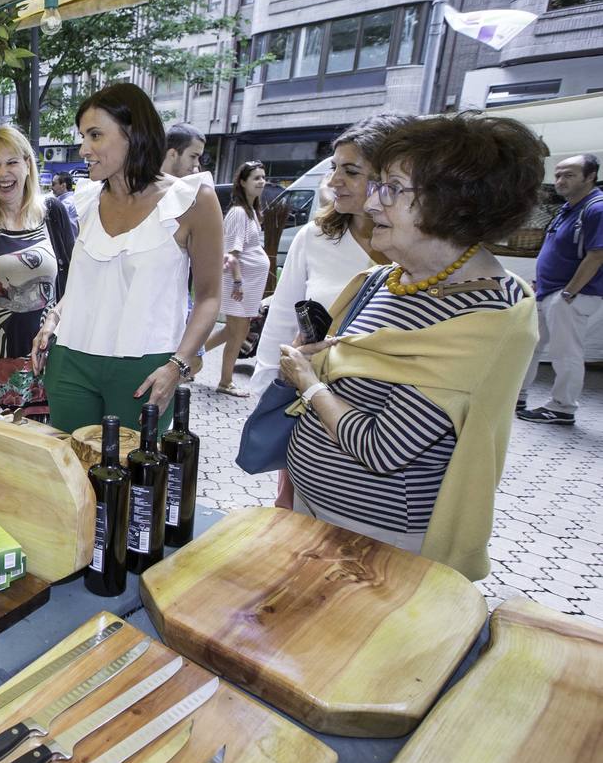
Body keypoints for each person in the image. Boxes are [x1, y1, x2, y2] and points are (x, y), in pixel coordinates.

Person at [278, 112, 543, 581]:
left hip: (375, 535)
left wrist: (309, 383)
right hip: (314, 504)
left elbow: (382, 448)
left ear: (453, 204)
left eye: (392, 189)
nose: (371, 202)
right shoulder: (387, 278)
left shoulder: (483, 315)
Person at [33, 83, 222, 433]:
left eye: (95, 135)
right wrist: (53, 318)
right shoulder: (86, 200)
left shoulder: (192, 200)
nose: (83, 148)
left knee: (132, 467)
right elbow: (89, 285)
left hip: (146, 368)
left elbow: (209, 296)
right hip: (70, 360)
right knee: (68, 465)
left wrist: (178, 365)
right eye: (83, 136)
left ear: (133, 134)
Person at [249, 114, 412, 399]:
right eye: (334, 167)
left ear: (391, 179)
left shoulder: (422, 251)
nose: (334, 181)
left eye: (351, 172)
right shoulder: (315, 237)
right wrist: (267, 398)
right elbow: (280, 328)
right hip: (306, 404)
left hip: (393, 413)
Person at [0, 126, 75, 412]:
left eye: (11, 162)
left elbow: (75, 282)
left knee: (45, 433)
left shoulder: (52, 212)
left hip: (47, 353)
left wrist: (54, 320)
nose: (2, 173)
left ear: (27, 165)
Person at [517, 153, 603, 425]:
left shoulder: (596, 209)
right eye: (557, 175)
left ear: (590, 177)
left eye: (569, 175)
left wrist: (569, 293)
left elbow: (597, 254)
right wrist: (540, 283)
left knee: (566, 352)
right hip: (548, 291)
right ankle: (517, 395)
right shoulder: (569, 208)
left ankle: (563, 407)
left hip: (571, 294)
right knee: (529, 345)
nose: (561, 180)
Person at [202, 161, 270, 397]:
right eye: (256, 178)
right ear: (242, 182)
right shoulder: (239, 212)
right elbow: (232, 253)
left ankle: (188, 361)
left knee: (231, 331)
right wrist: (238, 282)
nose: (262, 182)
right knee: (237, 333)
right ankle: (225, 381)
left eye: (263, 177)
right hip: (239, 284)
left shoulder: (251, 212)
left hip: (247, 284)